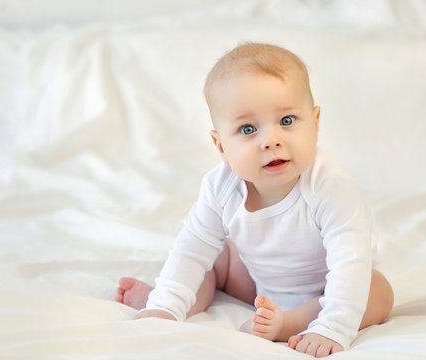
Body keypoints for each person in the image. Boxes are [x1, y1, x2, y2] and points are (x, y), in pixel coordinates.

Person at [116, 42, 394, 358]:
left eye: (287, 121)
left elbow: (348, 262)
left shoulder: (330, 186)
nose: (271, 140)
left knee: (376, 289)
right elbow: (191, 249)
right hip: (257, 283)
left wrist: (333, 327)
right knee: (213, 256)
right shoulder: (220, 186)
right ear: (220, 145)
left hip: (322, 290)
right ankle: (171, 304)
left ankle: (287, 324)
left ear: (315, 123)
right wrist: (166, 302)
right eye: (248, 128)